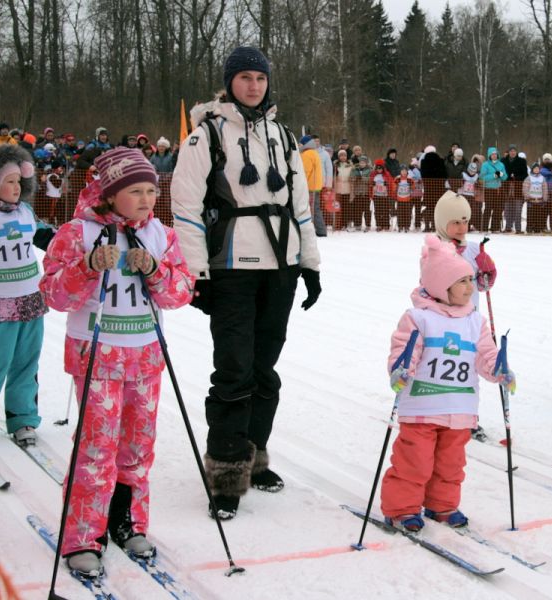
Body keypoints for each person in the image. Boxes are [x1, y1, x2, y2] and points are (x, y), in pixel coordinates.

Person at [171, 46, 322, 520]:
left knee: (264, 371)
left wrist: (311, 265)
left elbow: (301, 208)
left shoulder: (282, 136)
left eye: (260, 77)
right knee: (233, 371)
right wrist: (197, 274)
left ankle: (254, 457)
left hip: (281, 266)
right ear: (229, 81)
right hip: (232, 268)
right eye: (244, 78)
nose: (253, 85)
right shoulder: (205, 136)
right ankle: (226, 473)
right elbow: (185, 210)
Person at [41, 147, 194, 574]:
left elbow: (181, 291)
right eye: (135, 191)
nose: (147, 199)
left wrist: (156, 271)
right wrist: (88, 266)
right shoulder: (77, 233)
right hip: (96, 355)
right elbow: (54, 294)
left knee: (136, 448)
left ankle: (127, 520)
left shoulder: (161, 235)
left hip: (145, 356)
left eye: (151, 190)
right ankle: (83, 535)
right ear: (109, 194)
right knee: (96, 449)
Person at [380, 235, 514, 531]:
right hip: (423, 406)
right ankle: (402, 509)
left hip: (460, 406)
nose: (470, 287)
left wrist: (499, 369)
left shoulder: (475, 321)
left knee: (451, 464)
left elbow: (486, 355)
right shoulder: (418, 318)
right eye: (462, 281)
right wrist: (401, 369)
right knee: (414, 462)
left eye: (470, 279)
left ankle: (442, 504)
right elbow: (404, 350)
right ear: (442, 286)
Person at [0, 145, 53, 446]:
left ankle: (22, 418)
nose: (16, 188)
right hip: (1, 305)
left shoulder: (26, 212)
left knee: (26, 362)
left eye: (19, 182)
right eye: (9, 181)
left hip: (31, 300)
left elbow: (49, 237)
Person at [299, 134, 325, 237]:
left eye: (300, 144)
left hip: (310, 186)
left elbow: (305, 171)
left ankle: (319, 230)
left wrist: (301, 183)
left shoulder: (307, 154)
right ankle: (320, 229)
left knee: (312, 209)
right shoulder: (314, 152)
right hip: (316, 185)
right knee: (315, 208)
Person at [479, 147, 507, 233]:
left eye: (495, 154)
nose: (494, 156)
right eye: (492, 154)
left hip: (498, 189)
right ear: (489, 155)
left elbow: (505, 177)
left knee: (497, 208)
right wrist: (494, 176)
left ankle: (495, 227)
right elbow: (482, 177)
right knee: (488, 208)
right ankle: (484, 227)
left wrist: (501, 174)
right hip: (489, 189)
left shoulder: (501, 165)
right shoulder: (485, 165)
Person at [420, 146, 447, 233]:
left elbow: (423, 175)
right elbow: (445, 174)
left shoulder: (424, 162)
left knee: (429, 207)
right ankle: (435, 226)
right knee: (437, 208)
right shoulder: (441, 161)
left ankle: (427, 226)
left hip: (428, 187)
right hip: (439, 188)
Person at [501, 145, 528, 234]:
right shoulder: (503, 161)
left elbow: (525, 174)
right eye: (511, 151)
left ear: (516, 152)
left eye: (514, 151)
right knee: (508, 209)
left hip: (518, 188)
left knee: (518, 209)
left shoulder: (522, 161)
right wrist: (507, 177)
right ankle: (508, 227)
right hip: (507, 187)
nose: (512, 152)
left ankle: (518, 228)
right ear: (508, 152)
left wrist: (516, 177)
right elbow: (500, 173)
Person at [349, 155, 373, 231]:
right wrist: (355, 178)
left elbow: (370, 180)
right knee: (357, 210)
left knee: (366, 210)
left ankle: (368, 225)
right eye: (361, 162)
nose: (362, 164)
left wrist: (363, 178)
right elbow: (351, 178)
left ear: (366, 163)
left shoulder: (369, 170)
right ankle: (357, 225)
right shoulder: (355, 170)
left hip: (365, 193)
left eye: (363, 162)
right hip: (357, 192)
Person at [524, 162, 549, 234]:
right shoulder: (529, 178)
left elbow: (545, 188)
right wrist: (527, 197)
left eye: (538, 168)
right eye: (535, 168)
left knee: (538, 215)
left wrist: (545, 198)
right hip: (531, 200)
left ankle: (537, 229)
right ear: (532, 169)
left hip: (539, 200)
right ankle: (529, 228)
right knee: (530, 215)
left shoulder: (542, 178)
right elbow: (525, 188)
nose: (536, 170)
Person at [370, 159, 395, 231]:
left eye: (380, 168)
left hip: (385, 196)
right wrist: (372, 185)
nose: (379, 169)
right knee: (378, 210)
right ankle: (379, 224)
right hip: (376, 195)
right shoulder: (373, 174)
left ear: (383, 168)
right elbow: (370, 184)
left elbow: (391, 183)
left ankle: (386, 224)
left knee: (385, 210)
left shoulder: (387, 174)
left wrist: (387, 184)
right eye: (378, 168)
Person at [394, 165, 415, 232]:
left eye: (405, 171)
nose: (404, 172)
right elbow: (394, 187)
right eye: (402, 171)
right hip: (399, 198)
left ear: (407, 171)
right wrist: (395, 194)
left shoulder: (409, 179)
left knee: (407, 213)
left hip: (407, 199)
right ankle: (400, 226)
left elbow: (413, 187)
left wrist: (412, 188)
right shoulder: (397, 178)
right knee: (400, 213)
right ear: (400, 171)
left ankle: (407, 226)